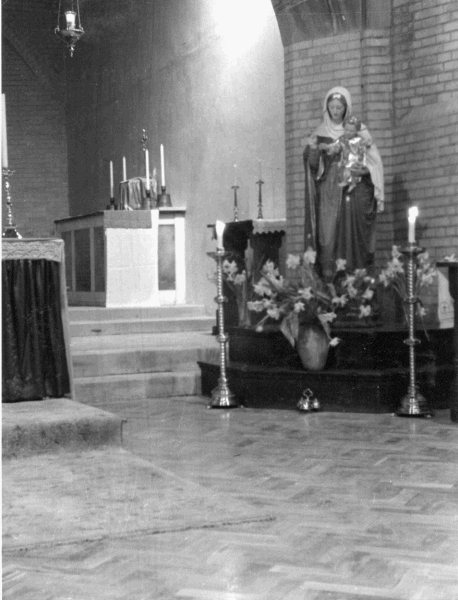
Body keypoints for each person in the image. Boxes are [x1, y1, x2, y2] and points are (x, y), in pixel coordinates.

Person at [303, 87, 384, 278]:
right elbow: (313, 167)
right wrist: (314, 148)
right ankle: (330, 283)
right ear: (327, 108)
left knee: (353, 237)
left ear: (346, 108)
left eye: (339, 107)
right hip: (329, 194)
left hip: (353, 192)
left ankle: (357, 284)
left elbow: (374, 162)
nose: (335, 111)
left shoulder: (359, 130)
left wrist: (366, 170)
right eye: (332, 107)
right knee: (328, 238)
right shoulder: (320, 132)